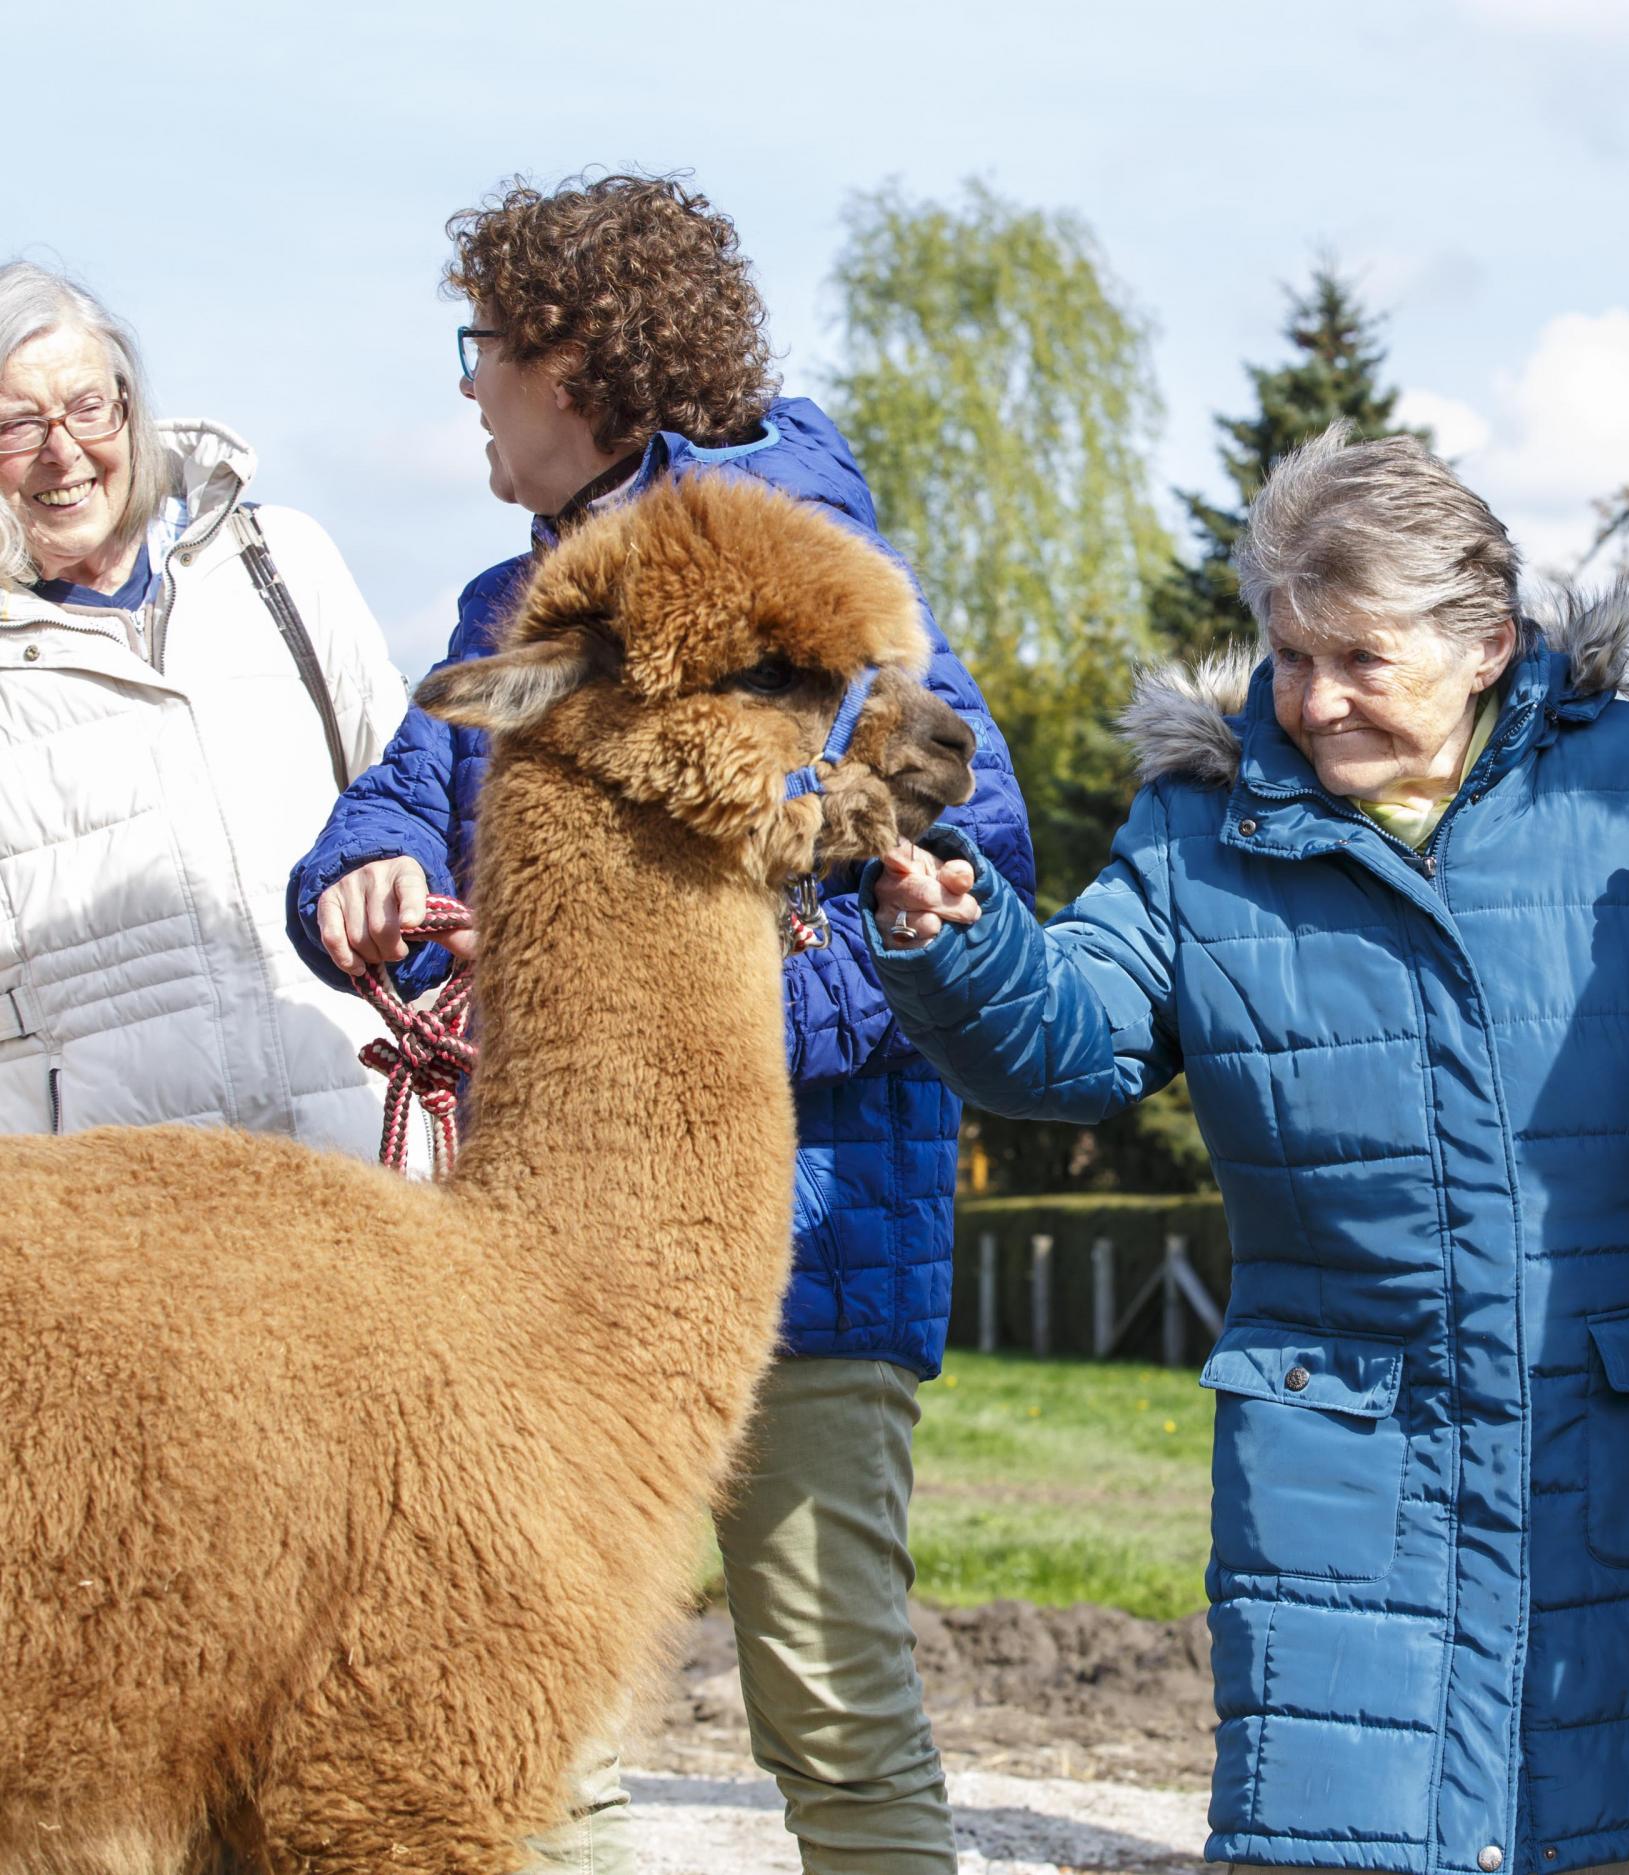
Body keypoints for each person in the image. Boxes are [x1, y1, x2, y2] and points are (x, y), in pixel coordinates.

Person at [863, 424, 1629, 1874]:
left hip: (1626, 1427)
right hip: (1349, 1444)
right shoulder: (1199, 829)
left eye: (1360, 659)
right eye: (1289, 656)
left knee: (1609, 1824)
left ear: (1487, 645)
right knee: (1340, 1834)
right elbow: (1073, 1042)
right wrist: (952, 946)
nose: (1316, 700)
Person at [284, 174, 1035, 1875]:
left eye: (483, 351)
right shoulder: (518, 619)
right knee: (526, 1731)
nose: (468, 388)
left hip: (812, 1247)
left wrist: (667, 1013)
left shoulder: (814, 601)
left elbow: (957, 856)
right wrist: (368, 882)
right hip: (553, 1278)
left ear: (575, 365)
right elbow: (395, 800)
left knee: (832, 1709)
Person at [0, 262, 404, 1151]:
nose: (61, 451)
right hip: (114, 1208)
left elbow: (411, 809)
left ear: (129, 410)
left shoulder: (282, 564)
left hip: (355, 1153)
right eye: (18, 424)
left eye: (87, 408)